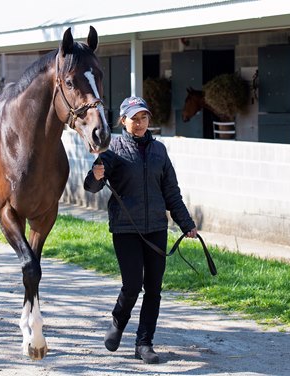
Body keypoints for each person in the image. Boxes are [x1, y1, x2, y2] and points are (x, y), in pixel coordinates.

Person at [84, 96, 197, 364]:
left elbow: (171, 191)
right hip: (126, 229)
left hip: (156, 228)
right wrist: (95, 176)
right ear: (123, 120)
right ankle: (118, 320)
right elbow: (92, 186)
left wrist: (186, 223)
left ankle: (144, 343)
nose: (140, 123)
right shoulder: (113, 150)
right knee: (132, 284)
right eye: (134, 118)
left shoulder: (160, 151)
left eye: (144, 117)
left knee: (154, 289)